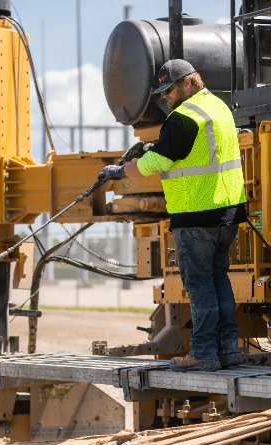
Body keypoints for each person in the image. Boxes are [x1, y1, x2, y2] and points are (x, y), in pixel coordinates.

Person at [98, 59, 247, 372]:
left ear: (189, 82)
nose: (165, 97)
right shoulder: (218, 108)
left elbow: (157, 164)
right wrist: (155, 147)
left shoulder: (184, 117)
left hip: (196, 215)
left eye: (169, 89)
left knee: (199, 284)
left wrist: (120, 170)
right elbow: (192, 151)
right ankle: (228, 350)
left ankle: (204, 353)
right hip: (228, 212)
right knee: (219, 279)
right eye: (162, 92)